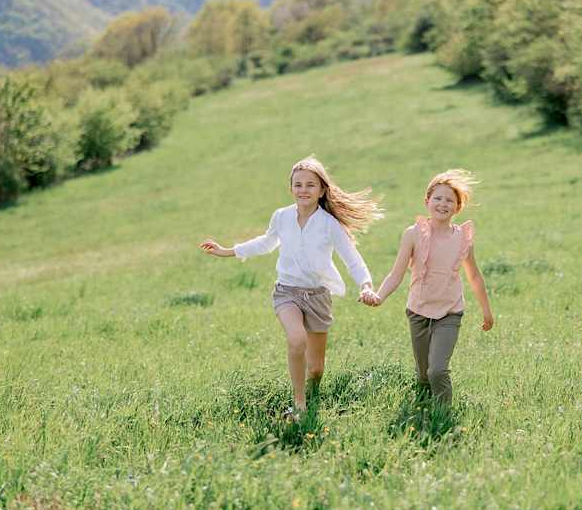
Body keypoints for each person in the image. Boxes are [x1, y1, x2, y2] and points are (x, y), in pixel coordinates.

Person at [200, 156, 380, 420]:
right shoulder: (281, 217)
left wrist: (365, 285)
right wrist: (227, 251)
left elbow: (352, 258)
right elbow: (265, 243)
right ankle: (299, 404)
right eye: (298, 184)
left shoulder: (329, 223)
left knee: (316, 369)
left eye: (310, 185)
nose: (303, 190)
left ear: (321, 191)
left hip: (318, 296)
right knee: (297, 340)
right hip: (287, 292)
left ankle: (311, 391)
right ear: (291, 188)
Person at [366, 169, 493, 406]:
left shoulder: (463, 237)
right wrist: (379, 296)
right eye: (438, 198)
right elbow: (396, 273)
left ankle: (442, 416)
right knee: (424, 375)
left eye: (449, 200)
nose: (443, 204)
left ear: (457, 207)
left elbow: (474, 275)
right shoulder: (413, 234)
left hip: (450, 312)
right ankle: (423, 406)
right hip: (418, 311)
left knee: (437, 371)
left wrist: (486, 310)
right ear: (427, 201)